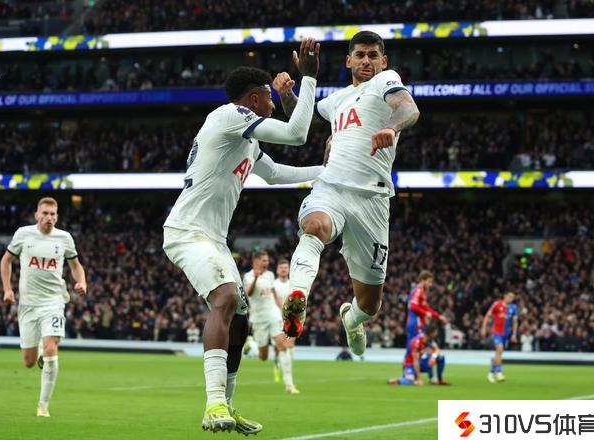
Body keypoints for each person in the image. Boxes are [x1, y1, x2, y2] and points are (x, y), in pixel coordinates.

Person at [162, 37, 321, 434]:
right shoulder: (230, 115)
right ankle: (214, 402)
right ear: (253, 99)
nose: (272, 103)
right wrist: (309, 79)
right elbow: (297, 134)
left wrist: (328, 172)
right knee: (227, 298)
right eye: (268, 97)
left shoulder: (247, 140)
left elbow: (278, 174)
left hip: (213, 239)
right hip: (187, 231)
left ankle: (227, 407)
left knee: (240, 319)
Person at [274, 31, 420, 356]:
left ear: (384, 61)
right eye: (360, 55)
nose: (366, 61)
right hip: (332, 187)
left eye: (373, 55)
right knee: (314, 226)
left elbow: (408, 109)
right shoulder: (337, 99)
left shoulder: (386, 81)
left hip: (372, 199)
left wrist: (391, 127)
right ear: (348, 61)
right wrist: (287, 93)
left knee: (370, 303)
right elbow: (302, 117)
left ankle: (352, 319)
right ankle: (297, 296)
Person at [0, 197, 87, 417]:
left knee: (51, 348)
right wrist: (7, 289)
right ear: (37, 215)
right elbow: (6, 261)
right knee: (29, 362)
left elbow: (76, 265)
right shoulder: (23, 234)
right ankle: (38, 350)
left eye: (53, 214)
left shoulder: (64, 238)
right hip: (28, 304)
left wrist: (82, 282)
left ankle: (43, 405)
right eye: (45, 213)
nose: (49, 217)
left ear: (57, 217)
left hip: (53, 302)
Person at [243, 252, 299, 394]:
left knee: (283, 347)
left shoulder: (270, 275)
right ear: (256, 262)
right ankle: (252, 345)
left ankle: (289, 385)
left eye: (267, 260)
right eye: (264, 260)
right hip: (258, 318)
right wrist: (256, 278)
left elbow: (274, 295)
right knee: (264, 357)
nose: (267, 263)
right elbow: (249, 293)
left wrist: (283, 311)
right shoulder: (248, 276)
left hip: (273, 314)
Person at [481, 292, 518, 383]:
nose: (511, 299)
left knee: (498, 354)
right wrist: (484, 328)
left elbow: (515, 322)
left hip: (505, 334)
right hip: (497, 332)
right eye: (510, 296)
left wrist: (514, 334)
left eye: (513, 297)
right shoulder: (497, 304)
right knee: (500, 349)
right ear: (505, 296)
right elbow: (487, 316)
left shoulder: (514, 308)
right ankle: (499, 372)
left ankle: (490, 374)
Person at [406, 270, 447, 347]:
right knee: (415, 348)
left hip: (417, 323)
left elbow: (427, 308)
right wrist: (425, 313)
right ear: (422, 280)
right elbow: (413, 306)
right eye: (429, 282)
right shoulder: (418, 290)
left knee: (414, 348)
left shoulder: (420, 292)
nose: (430, 285)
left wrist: (438, 316)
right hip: (416, 323)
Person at [272, 258, 296, 384]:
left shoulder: (293, 285)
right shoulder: (273, 285)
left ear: (289, 270)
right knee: (279, 347)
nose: (283, 270)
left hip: (290, 319)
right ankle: (277, 364)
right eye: (281, 268)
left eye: (285, 268)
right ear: (277, 270)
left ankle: (288, 376)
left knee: (290, 346)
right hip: (276, 318)